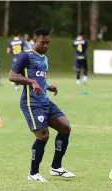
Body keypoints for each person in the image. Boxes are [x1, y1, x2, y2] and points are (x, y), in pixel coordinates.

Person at [9, 28, 75, 182]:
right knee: (43, 135)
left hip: (44, 100)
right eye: (42, 42)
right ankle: (33, 173)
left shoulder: (44, 58)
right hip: (31, 103)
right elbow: (12, 76)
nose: (45, 45)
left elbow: (38, 79)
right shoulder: (26, 55)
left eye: (47, 43)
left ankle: (56, 168)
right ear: (34, 41)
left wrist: (47, 86)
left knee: (65, 127)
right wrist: (31, 81)